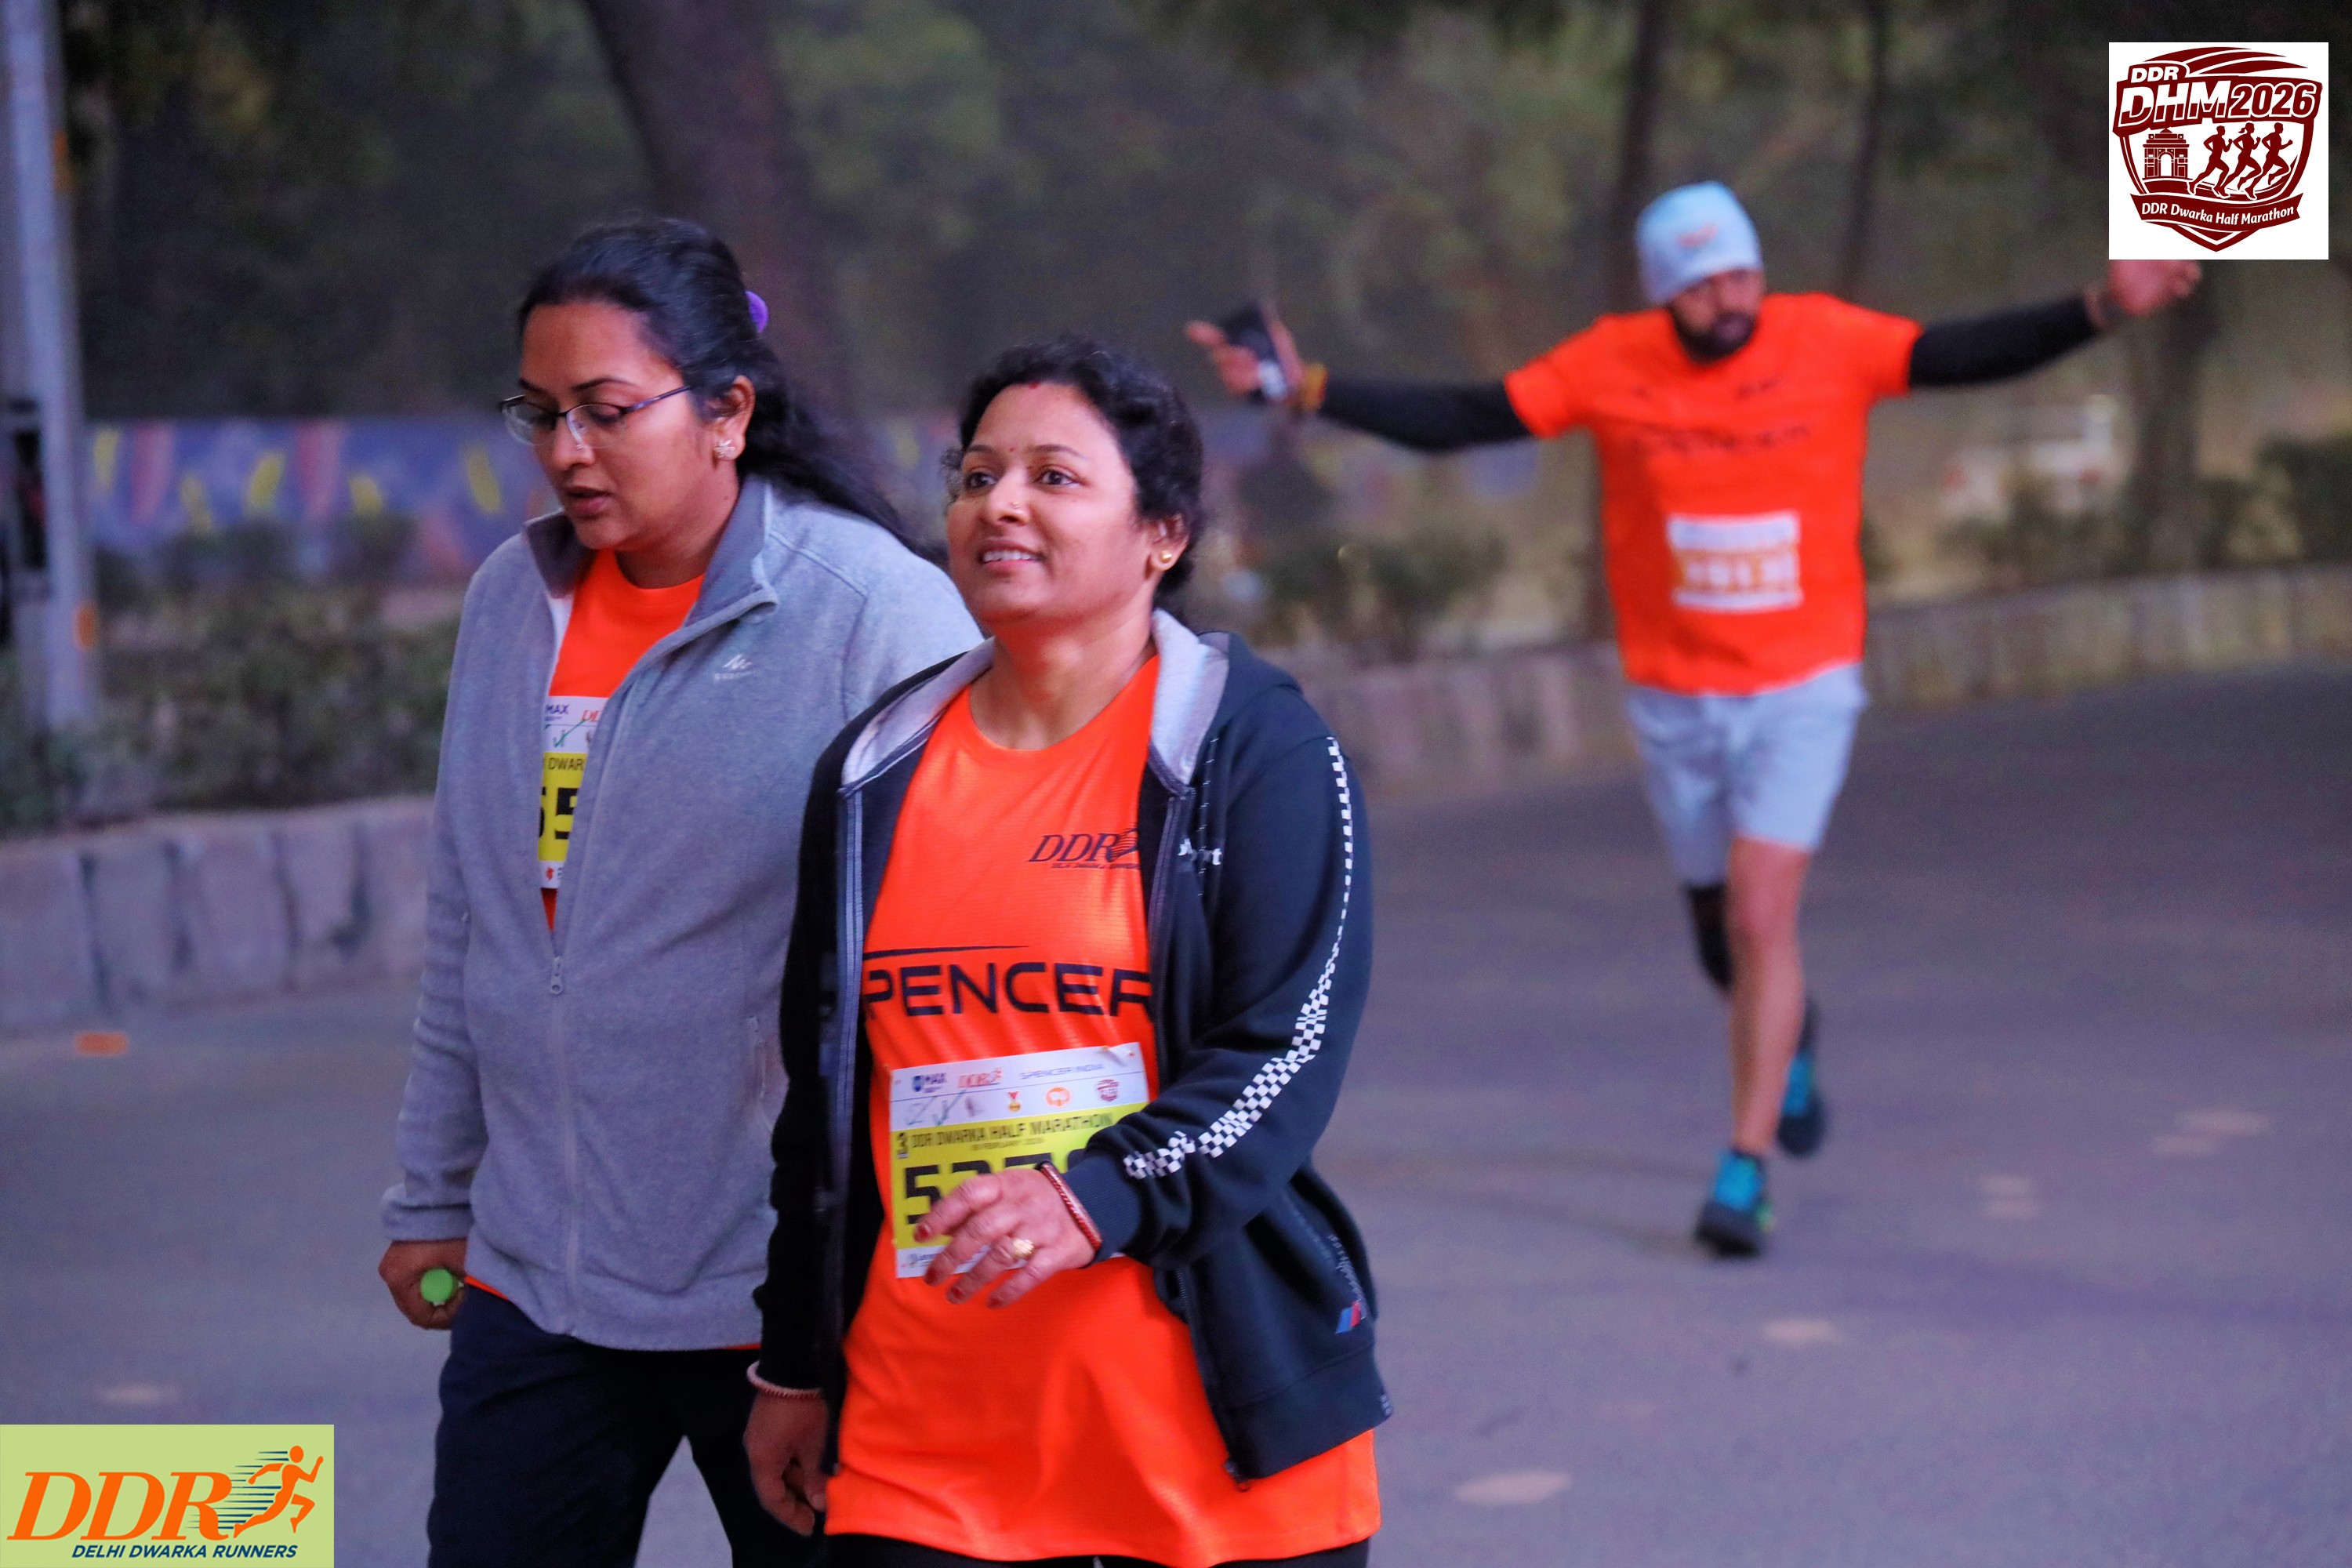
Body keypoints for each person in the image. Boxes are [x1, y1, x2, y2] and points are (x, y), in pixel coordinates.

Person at [1189, 181, 2201, 1257]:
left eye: (1743, 275)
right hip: (1676, 694)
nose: (1731, 298)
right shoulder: (1612, 362)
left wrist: (2102, 306)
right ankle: (1790, 1033)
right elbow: (1472, 415)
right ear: (1666, 292)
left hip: (1803, 686)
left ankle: (1743, 1171)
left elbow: (1961, 353)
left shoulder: (1827, 341)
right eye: (1706, 284)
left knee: (1763, 918)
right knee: (1724, 943)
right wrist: (1307, 387)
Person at [376, 216, 978, 1567]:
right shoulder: (511, 600)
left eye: (606, 410)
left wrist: (887, 1277)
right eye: (540, 413)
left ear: (727, 413)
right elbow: (475, 924)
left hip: (777, 1301)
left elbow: (947, 974)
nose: (566, 451)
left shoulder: (873, 614)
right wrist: (433, 1197)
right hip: (535, 1280)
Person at [744, 336, 1385, 1568]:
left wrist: (1093, 1195)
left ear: (1163, 536)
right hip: (925, 1444)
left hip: (1204, 1452)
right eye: (977, 475)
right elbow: (823, 1103)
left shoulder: (1255, 750)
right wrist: (797, 1360)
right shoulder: (874, 769)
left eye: (1054, 477)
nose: (1000, 505)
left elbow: (1282, 1054)